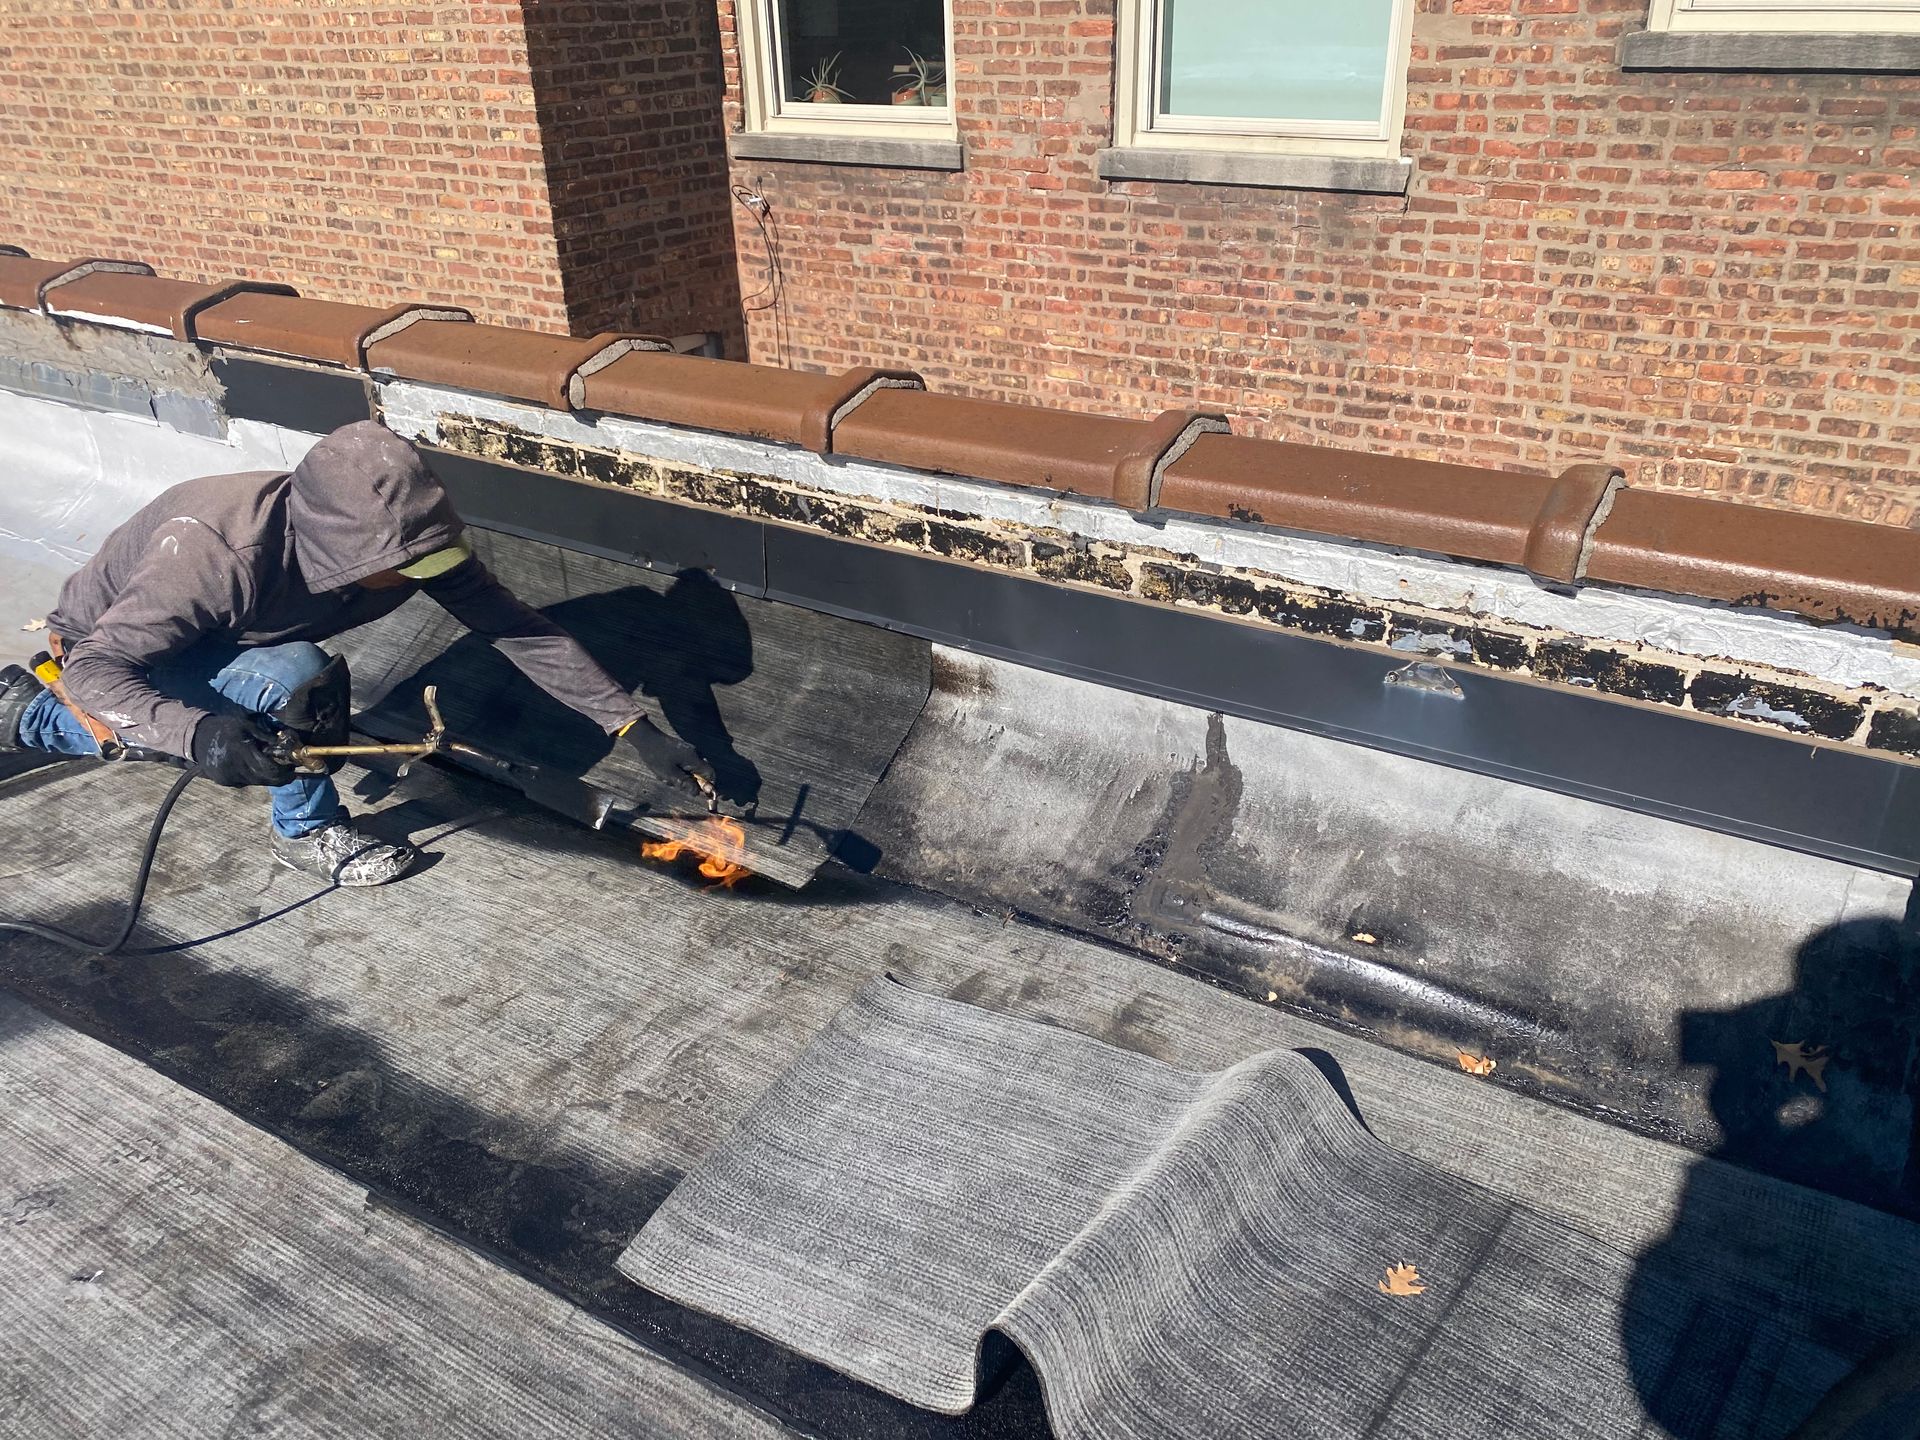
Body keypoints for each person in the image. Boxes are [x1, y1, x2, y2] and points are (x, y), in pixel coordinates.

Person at [0, 421, 714, 886]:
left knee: (285, 689)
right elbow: (100, 669)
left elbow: (515, 627)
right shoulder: (215, 553)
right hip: (117, 648)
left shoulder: (412, 542)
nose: (418, 580)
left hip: (228, 636)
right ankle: (304, 831)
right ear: (336, 550)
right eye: (399, 567)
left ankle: (63, 711)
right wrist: (199, 734)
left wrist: (633, 727)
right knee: (291, 681)